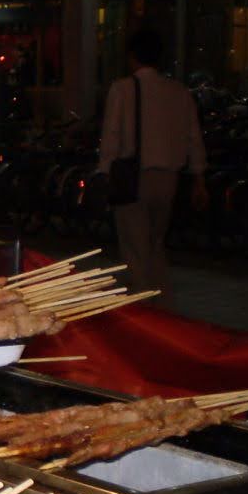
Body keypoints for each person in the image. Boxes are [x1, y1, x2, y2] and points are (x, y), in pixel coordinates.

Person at [98, 29, 208, 296]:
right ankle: (161, 300)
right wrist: (199, 179)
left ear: (131, 56)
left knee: (134, 247)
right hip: (169, 177)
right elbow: (193, 136)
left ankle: (142, 305)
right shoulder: (179, 92)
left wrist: (104, 171)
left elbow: (111, 135)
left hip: (133, 176)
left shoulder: (122, 89)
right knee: (156, 243)